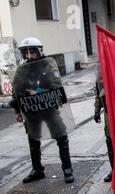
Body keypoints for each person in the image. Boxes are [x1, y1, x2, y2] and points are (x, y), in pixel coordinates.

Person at [9, 37, 74, 184]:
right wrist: (17, 111)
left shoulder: (48, 66)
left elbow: (56, 86)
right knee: (33, 139)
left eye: (32, 52)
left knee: (61, 137)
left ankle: (67, 168)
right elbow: (16, 91)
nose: (30, 56)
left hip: (49, 108)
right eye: (26, 53)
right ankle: (37, 169)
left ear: (39, 51)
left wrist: (37, 91)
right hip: (31, 110)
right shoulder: (22, 69)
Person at [94, 65, 114, 182]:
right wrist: (96, 110)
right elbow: (98, 94)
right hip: (108, 115)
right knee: (109, 142)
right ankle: (114, 169)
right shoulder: (99, 73)